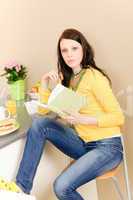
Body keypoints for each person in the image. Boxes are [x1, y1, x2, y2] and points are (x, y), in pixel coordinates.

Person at [0, 28, 124, 200]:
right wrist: (44, 83)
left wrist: (83, 119)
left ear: (84, 49)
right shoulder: (70, 79)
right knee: (39, 124)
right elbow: (43, 111)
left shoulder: (94, 77)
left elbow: (118, 117)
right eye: (64, 50)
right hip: (84, 144)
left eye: (74, 48)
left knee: (61, 187)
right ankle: (21, 189)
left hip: (107, 147)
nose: (69, 54)